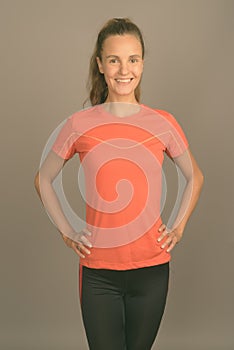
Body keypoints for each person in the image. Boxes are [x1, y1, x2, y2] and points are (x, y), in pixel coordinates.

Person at [34, 18, 204, 350]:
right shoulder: (79, 124)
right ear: (100, 64)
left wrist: (178, 228)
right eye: (114, 59)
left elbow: (195, 176)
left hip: (152, 270)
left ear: (142, 63)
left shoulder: (162, 122)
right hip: (99, 272)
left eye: (133, 59)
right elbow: (42, 179)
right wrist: (67, 232)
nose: (124, 69)